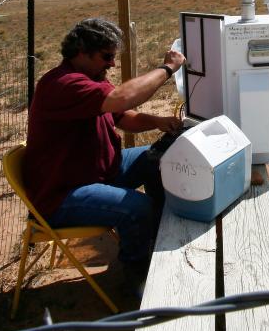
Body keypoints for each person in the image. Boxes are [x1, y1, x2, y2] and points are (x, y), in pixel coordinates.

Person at [24, 17, 186, 288]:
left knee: (162, 157)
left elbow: (123, 116)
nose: (111, 63)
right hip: (63, 194)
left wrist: (157, 122)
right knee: (138, 208)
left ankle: (159, 235)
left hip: (97, 171)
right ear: (81, 52)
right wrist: (168, 68)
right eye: (106, 56)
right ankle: (136, 272)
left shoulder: (91, 78)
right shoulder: (64, 84)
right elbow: (122, 99)